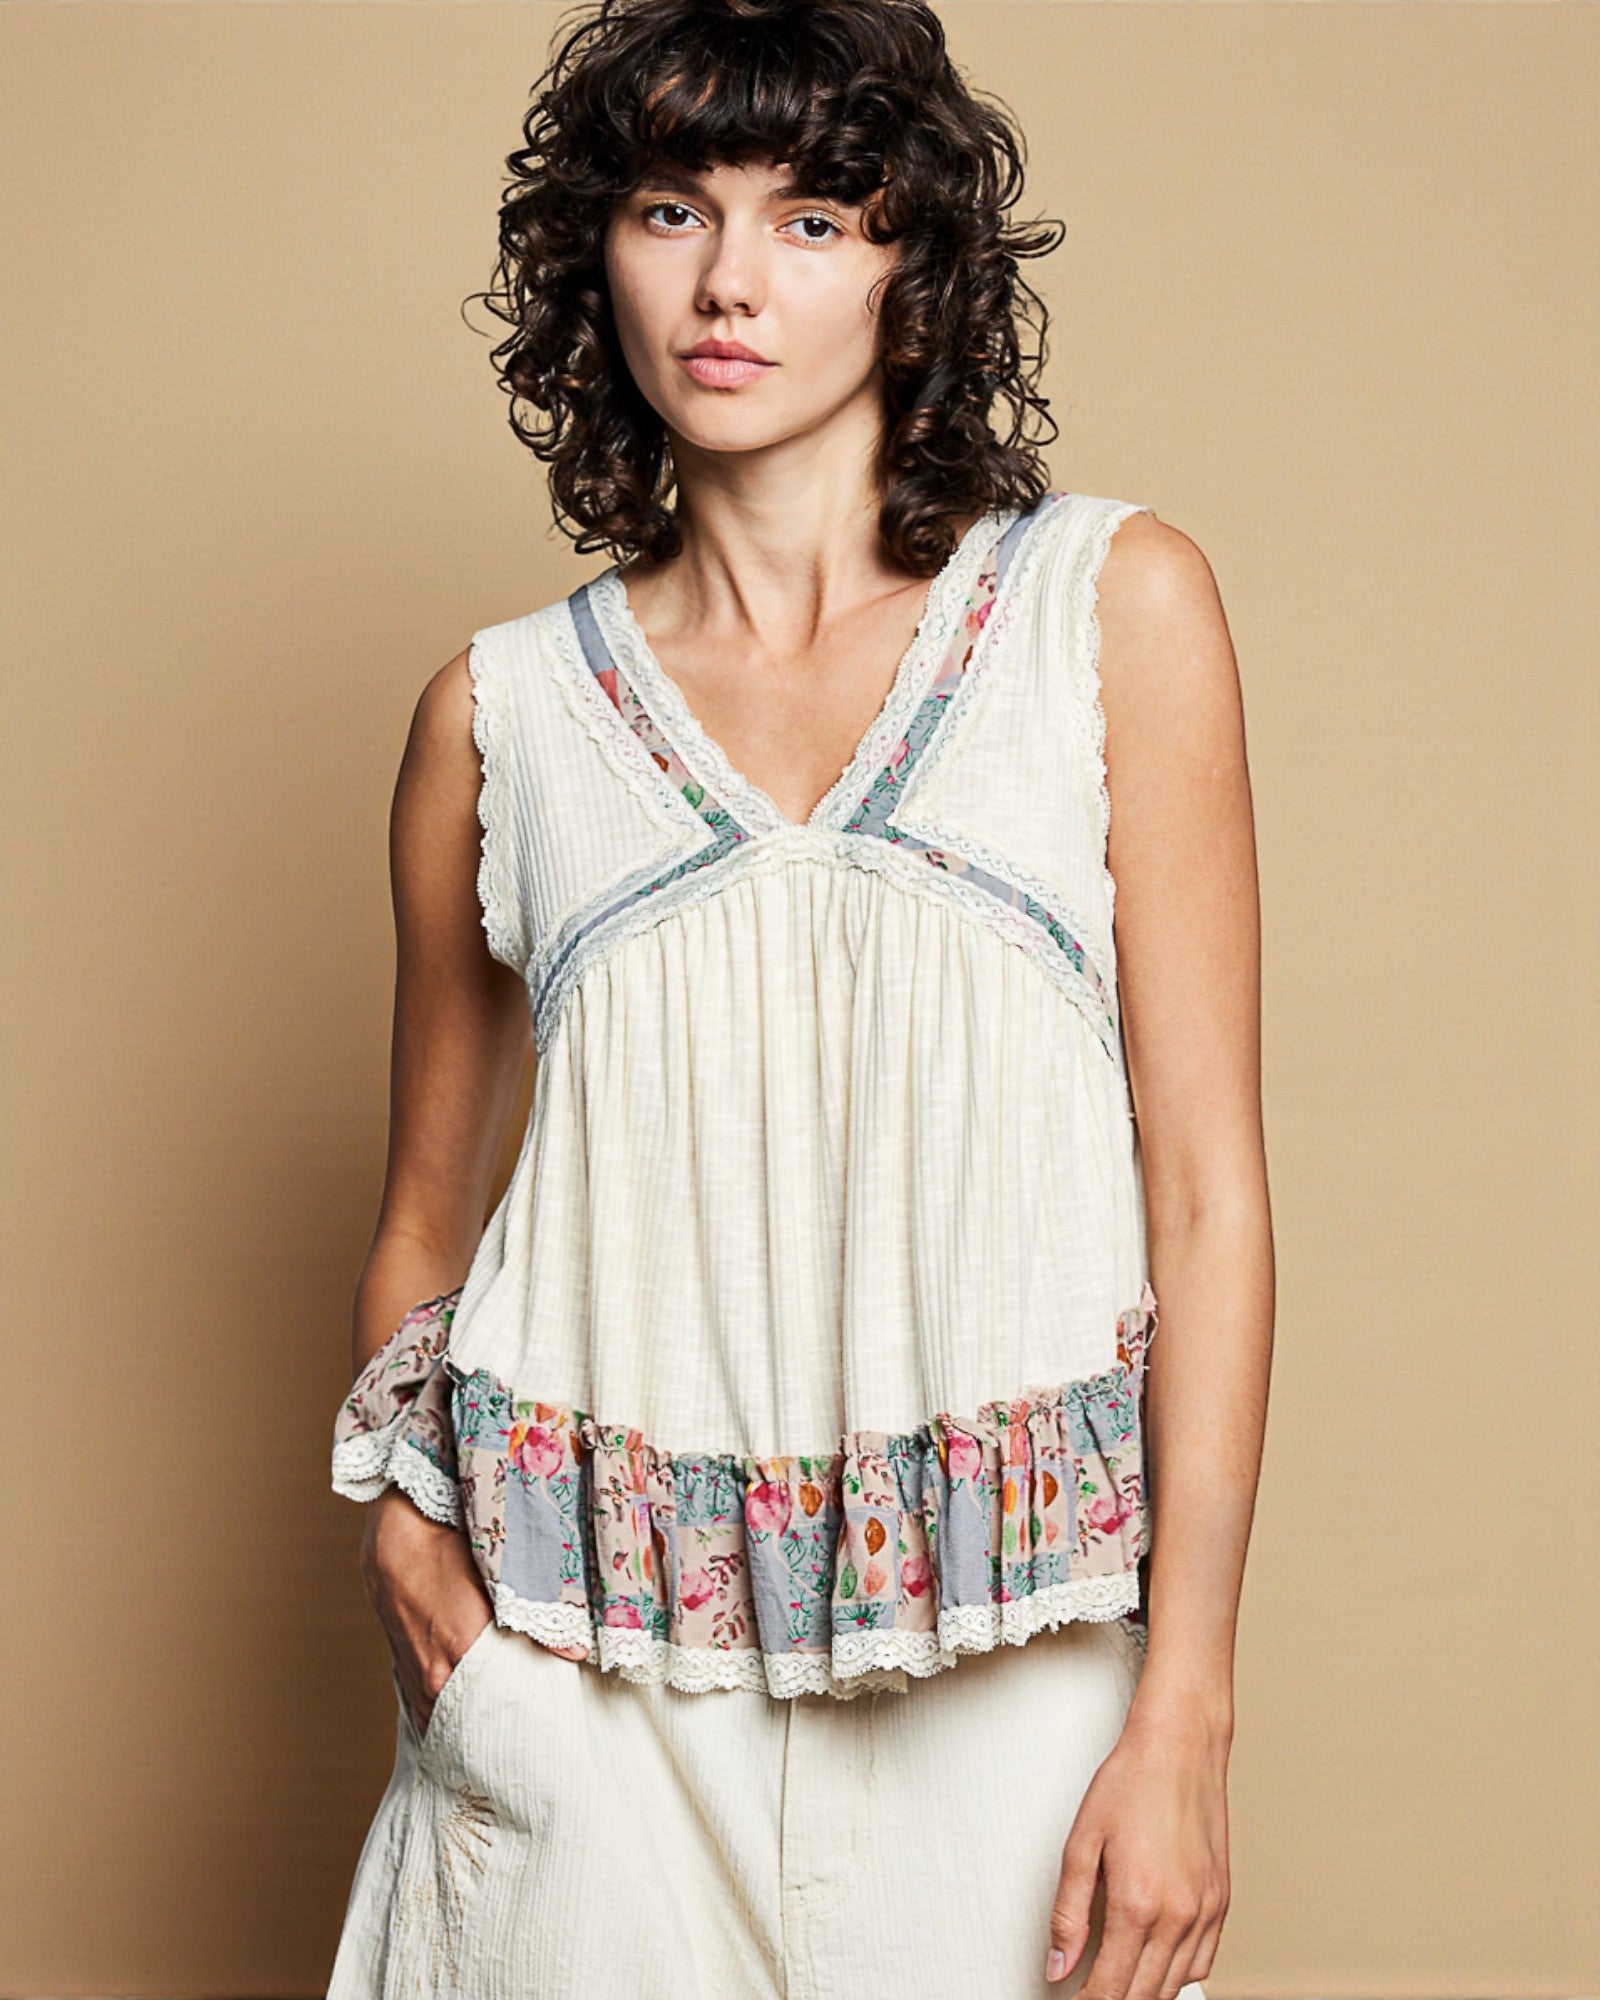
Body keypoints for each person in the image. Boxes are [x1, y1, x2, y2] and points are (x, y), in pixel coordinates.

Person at [324, 0, 1273, 1993]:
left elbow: (1204, 1193)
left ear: (912, 269)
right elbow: (422, 1208)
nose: (731, 280)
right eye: (672, 208)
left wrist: (1179, 1712)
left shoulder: (1109, 611)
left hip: (1005, 1670)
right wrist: (413, 1559)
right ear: (595, 251)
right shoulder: (495, 716)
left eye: (815, 216)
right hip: (582, 1679)